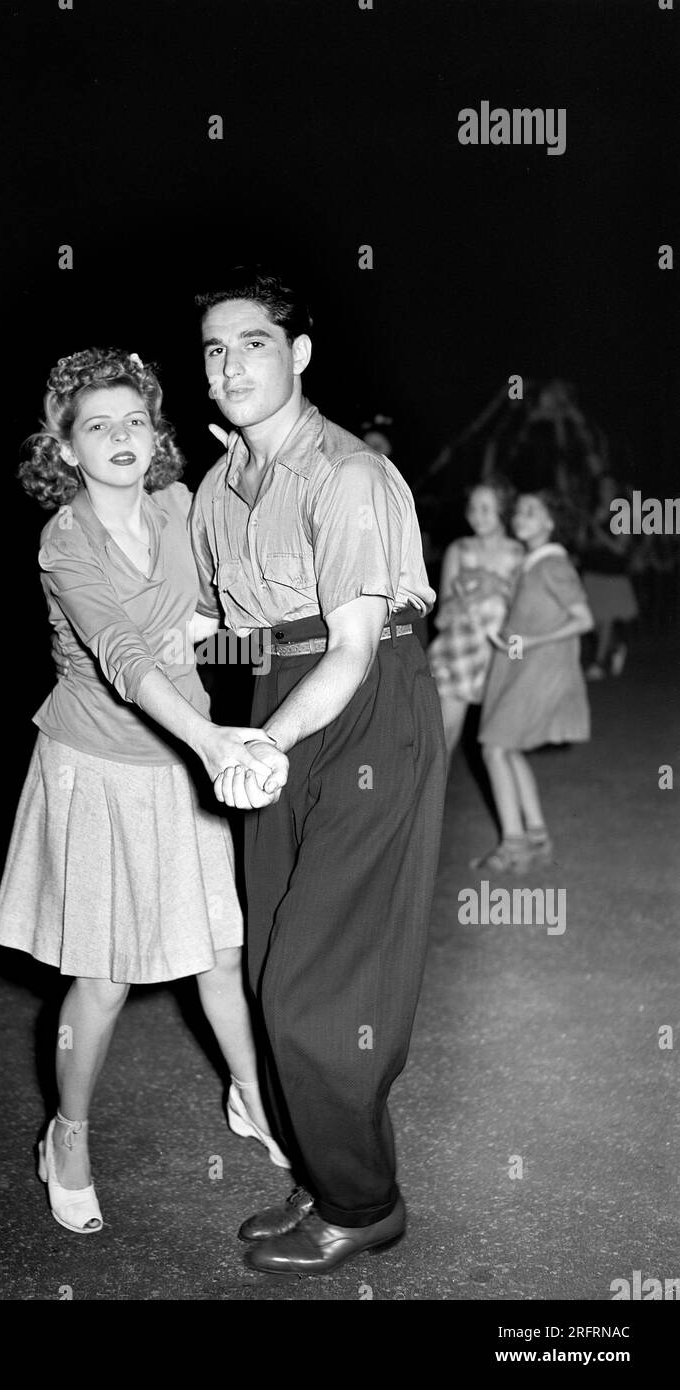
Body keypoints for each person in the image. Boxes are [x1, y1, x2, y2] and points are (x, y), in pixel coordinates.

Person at [0, 348, 289, 1236]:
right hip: (99, 769)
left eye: (134, 421)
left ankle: (250, 1098)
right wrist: (209, 739)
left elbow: (218, 605)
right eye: (97, 425)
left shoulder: (179, 504)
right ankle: (67, 1135)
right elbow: (123, 658)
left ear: (157, 434)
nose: (120, 437)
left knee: (221, 957)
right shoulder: (65, 541)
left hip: (178, 765)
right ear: (68, 448)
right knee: (106, 981)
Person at [189, 269, 447, 1276]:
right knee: (266, 969)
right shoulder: (219, 486)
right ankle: (320, 1168)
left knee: (320, 985)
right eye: (213, 349)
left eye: (252, 343)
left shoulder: (347, 474)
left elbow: (346, 648)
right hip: (274, 701)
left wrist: (264, 743)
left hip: (361, 703)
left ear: (297, 354)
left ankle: (363, 1202)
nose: (230, 365)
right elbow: (225, 627)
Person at [473, 490, 594, 872]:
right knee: (507, 749)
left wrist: (530, 642)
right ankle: (537, 839)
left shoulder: (552, 565)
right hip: (525, 665)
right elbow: (529, 623)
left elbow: (583, 619)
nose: (521, 517)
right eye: (519, 511)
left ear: (550, 523)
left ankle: (514, 847)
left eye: (532, 511)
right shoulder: (530, 564)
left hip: (542, 669)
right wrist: (506, 640)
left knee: (494, 748)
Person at [428, 480, 523, 754]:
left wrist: (496, 587)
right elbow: (441, 618)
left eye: (486, 509)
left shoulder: (519, 554)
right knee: (445, 737)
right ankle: (432, 797)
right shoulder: (459, 550)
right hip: (460, 649)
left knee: (501, 745)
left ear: (503, 510)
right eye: (473, 508)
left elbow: (522, 614)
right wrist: (470, 597)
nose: (476, 516)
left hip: (501, 653)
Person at [580, 473, 638, 680]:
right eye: (602, 487)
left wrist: (598, 532)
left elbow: (620, 548)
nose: (605, 491)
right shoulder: (594, 512)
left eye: (609, 487)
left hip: (612, 575)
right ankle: (615, 647)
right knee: (591, 621)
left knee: (605, 619)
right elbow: (584, 542)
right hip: (592, 573)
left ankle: (598, 662)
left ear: (615, 490)